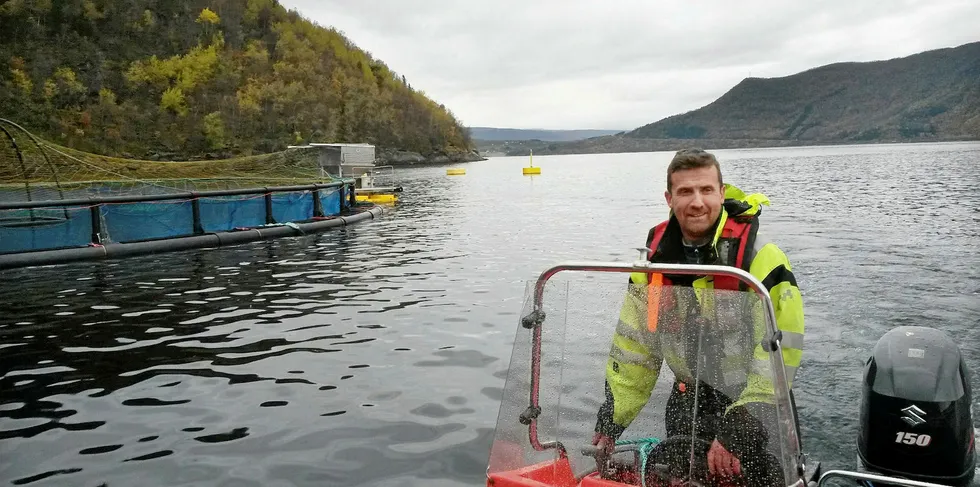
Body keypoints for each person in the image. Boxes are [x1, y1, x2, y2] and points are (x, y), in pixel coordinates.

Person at [591, 148, 805, 486]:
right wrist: (611, 422)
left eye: (706, 190)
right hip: (686, 401)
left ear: (721, 192)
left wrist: (742, 427)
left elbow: (782, 351)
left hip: (753, 405)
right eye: (685, 191)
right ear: (669, 198)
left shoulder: (762, 258)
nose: (697, 202)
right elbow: (635, 351)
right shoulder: (653, 265)